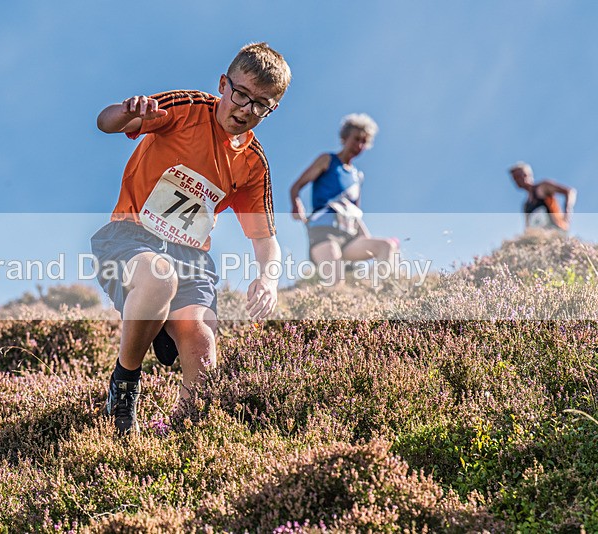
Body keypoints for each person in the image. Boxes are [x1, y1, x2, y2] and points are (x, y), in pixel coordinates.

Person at [91, 42, 291, 433]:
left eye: (261, 105)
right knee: (159, 277)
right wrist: (128, 112)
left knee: (201, 342)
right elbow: (106, 122)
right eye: (241, 95)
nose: (246, 110)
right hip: (131, 237)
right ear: (223, 84)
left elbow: (266, 240)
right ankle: (125, 382)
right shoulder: (186, 109)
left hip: (192, 258)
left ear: (272, 110)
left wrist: (268, 279)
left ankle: (182, 433)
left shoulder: (253, 164)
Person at [289, 113, 398, 285]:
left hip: (348, 235)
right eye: (356, 139)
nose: (359, 145)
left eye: (364, 141)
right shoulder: (327, 160)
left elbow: (355, 212)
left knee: (386, 246)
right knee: (336, 281)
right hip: (323, 231)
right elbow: (296, 186)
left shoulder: (357, 177)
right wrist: (296, 204)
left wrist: (365, 236)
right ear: (345, 137)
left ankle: (380, 295)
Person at [509, 161, 576, 232]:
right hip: (542, 237)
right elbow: (528, 227)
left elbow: (569, 192)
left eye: (518, 176)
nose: (516, 181)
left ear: (527, 175)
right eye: (514, 179)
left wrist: (566, 216)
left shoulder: (543, 187)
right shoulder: (526, 205)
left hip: (555, 231)